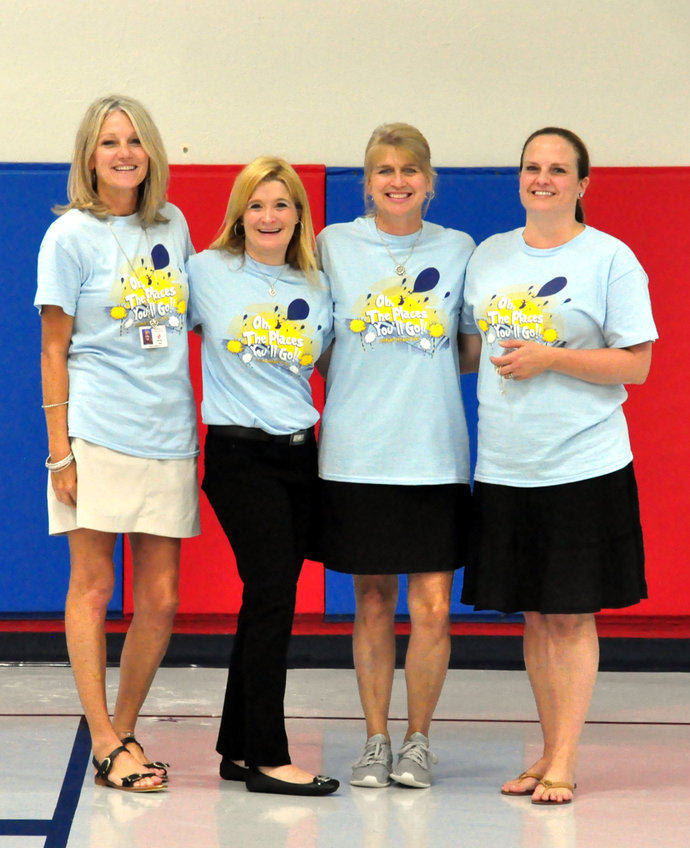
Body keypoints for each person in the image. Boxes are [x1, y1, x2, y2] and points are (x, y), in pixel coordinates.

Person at [460, 127, 657, 805]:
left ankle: (565, 759)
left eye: (557, 169)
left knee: (571, 617)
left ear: (582, 183)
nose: (541, 178)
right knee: (536, 618)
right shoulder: (488, 256)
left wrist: (552, 359)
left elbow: (637, 363)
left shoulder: (611, 258)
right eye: (531, 167)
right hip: (506, 465)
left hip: (583, 464)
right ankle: (546, 751)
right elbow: (468, 349)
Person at [36, 95, 199, 792]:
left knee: (160, 597)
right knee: (95, 585)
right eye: (110, 142)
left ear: (151, 151)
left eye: (134, 140)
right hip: (97, 431)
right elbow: (54, 348)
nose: (124, 153)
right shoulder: (68, 236)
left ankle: (123, 731)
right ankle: (102, 737)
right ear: (90, 155)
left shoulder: (174, 224)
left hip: (169, 431)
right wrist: (61, 451)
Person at [316, 123, 476, 789]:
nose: (398, 181)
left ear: (429, 182)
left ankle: (418, 741)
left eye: (410, 170)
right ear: (367, 182)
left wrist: (418, 376)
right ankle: (376, 740)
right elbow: (316, 340)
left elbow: (469, 348)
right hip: (357, 455)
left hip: (434, 454)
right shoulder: (333, 244)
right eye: (384, 170)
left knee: (433, 606)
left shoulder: (459, 248)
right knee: (374, 601)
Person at [186, 156, 339, 797]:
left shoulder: (318, 285)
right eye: (256, 205)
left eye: (281, 205)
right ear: (239, 214)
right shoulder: (206, 272)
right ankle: (271, 758)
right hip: (239, 457)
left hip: (301, 457)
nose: (268, 216)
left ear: (299, 215)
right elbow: (141, 330)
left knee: (265, 598)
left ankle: (239, 749)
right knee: (275, 595)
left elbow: (334, 367)